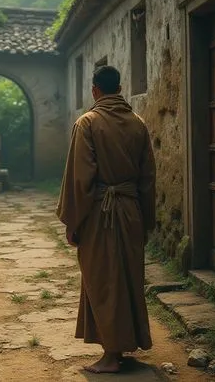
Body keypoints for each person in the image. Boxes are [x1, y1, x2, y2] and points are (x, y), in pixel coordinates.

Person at [56, 65, 156, 374]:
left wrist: (73, 222)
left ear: (95, 90)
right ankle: (122, 345)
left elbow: (80, 179)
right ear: (120, 87)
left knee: (104, 281)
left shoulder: (88, 123)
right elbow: (148, 178)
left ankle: (112, 355)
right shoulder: (138, 124)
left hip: (101, 212)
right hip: (130, 212)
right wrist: (146, 220)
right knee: (126, 279)